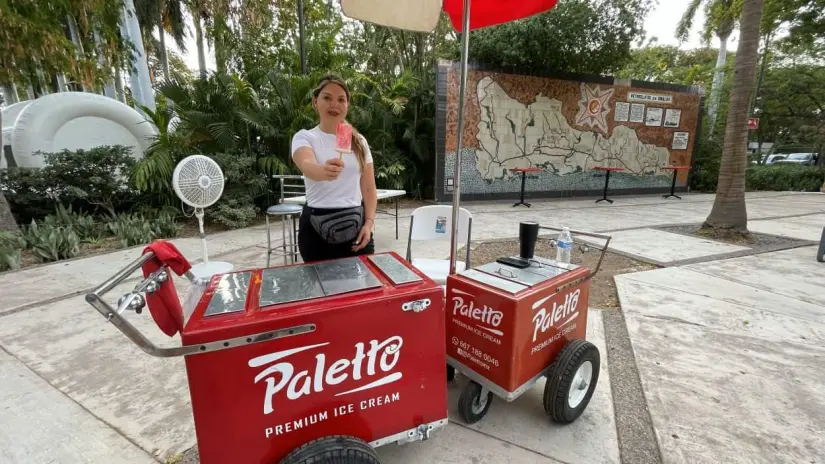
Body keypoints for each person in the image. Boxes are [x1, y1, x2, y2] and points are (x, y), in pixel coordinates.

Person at [290, 74, 378, 263]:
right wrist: (323, 171)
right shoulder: (304, 137)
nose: (334, 105)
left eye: (341, 100)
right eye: (327, 98)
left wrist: (369, 224)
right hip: (315, 227)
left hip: (357, 224)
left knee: (362, 286)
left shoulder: (360, 142)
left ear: (347, 105)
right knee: (321, 288)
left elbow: (369, 188)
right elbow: (307, 165)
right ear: (315, 102)